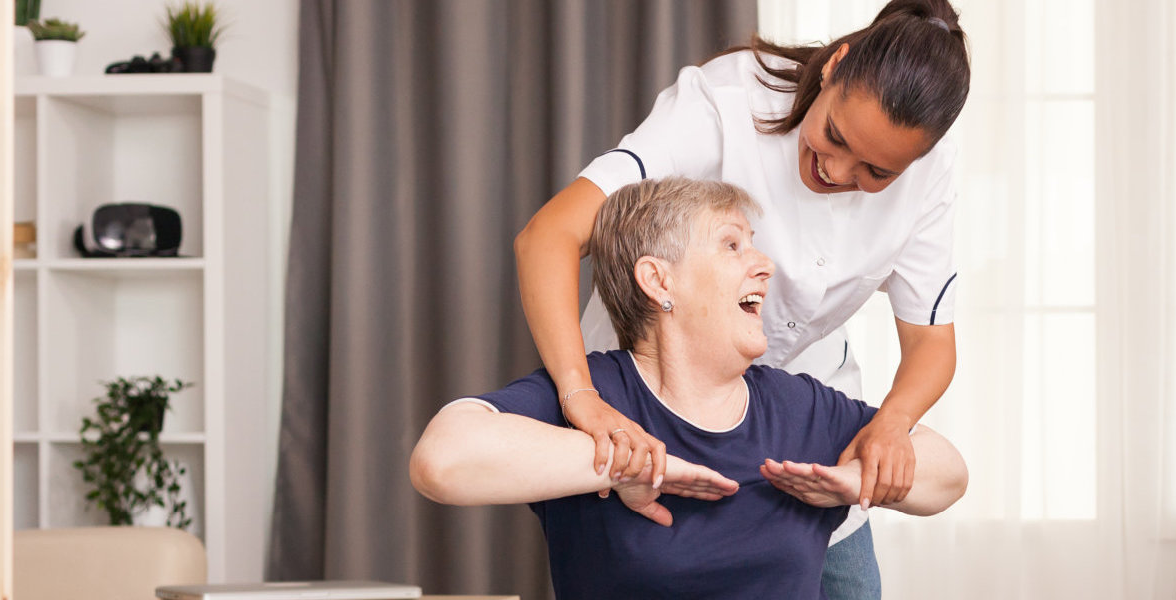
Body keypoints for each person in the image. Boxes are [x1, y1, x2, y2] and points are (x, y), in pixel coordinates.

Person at [512, 1, 972, 594]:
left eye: (875, 172)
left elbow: (932, 340)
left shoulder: (930, 175)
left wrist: (892, 424)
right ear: (835, 65)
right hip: (649, 417)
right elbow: (548, 236)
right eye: (834, 135)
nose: (835, 171)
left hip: (797, 441)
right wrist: (581, 397)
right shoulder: (724, 105)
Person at [415, 178, 970, 599]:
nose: (764, 265)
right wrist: (624, 463)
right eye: (732, 246)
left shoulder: (797, 407)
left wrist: (853, 481)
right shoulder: (601, 398)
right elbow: (442, 460)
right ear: (660, 281)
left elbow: (948, 474)